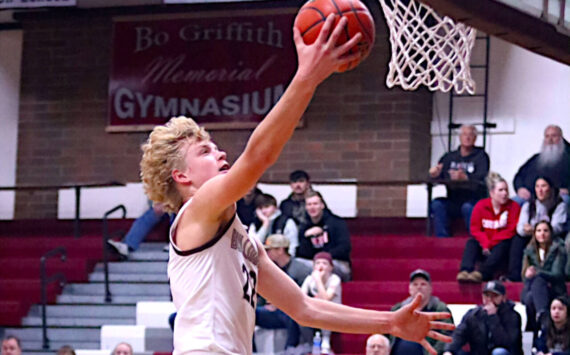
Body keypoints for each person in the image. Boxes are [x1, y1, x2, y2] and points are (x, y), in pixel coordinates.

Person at [141, 15, 453, 355]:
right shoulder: (196, 211)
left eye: (215, 146)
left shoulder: (240, 238)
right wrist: (308, 76)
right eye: (205, 151)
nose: (220, 153)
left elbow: (305, 308)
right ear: (182, 177)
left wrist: (388, 323)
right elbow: (257, 157)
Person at [457, 172, 521, 283]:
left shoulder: (514, 207)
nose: (505, 193)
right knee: (471, 242)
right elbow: (475, 229)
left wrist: (491, 242)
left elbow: (511, 230)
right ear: (492, 193)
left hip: (501, 246)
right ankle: (465, 271)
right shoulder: (481, 206)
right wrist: (485, 242)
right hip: (485, 245)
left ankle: (482, 273)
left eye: (506, 190)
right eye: (501, 190)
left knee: (504, 244)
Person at [429, 124, 490, 237]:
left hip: (473, 200)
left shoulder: (481, 156)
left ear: (475, 138)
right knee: (437, 204)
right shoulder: (449, 157)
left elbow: (482, 177)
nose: (467, 137)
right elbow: (438, 175)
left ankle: (475, 241)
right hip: (453, 200)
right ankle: (442, 240)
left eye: (470, 135)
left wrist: (465, 177)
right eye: (464, 134)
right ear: (460, 137)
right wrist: (434, 174)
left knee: (467, 207)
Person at [254, 234, 312, 351]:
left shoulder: (301, 270)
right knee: (250, 312)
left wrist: (280, 304)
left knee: (292, 315)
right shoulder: (270, 269)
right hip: (273, 311)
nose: (267, 253)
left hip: (292, 311)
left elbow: (304, 298)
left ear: (280, 250)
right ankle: (250, 349)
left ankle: (291, 349)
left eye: (270, 250)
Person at [509, 176, 568, 281]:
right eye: (537, 187)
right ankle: (514, 276)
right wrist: (531, 230)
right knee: (517, 239)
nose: (540, 190)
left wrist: (536, 230)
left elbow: (556, 227)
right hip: (531, 236)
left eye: (543, 186)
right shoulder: (528, 206)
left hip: (551, 237)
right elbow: (520, 229)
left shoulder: (560, 206)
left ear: (550, 189)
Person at [443, 280, 523, 355]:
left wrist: (493, 317)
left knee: (499, 352)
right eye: (487, 295)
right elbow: (459, 334)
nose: (490, 299)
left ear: (503, 297)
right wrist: (449, 350)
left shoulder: (512, 316)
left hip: (505, 353)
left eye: (494, 296)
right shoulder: (474, 315)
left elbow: (508, 343)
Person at [390, 269, 454, 355]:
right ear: (409, 288)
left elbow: (447, 334)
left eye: (423, 284)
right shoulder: (398, 309)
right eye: (415, 284)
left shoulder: (440, 309)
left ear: (430, 288)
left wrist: (433, 353)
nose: (419, 287)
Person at [521, 221, 568, 332]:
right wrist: (528, 275)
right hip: (533, 290)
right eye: (539, 231)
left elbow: (557, 274)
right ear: (534, 233)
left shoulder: (558, 249)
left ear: (551, 233)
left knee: (535, 287)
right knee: (530, 295)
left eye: (545, 231)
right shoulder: (529, 250)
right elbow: (524, 276)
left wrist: (537, 272)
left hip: (555, 290)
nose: (542, 234)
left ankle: (537, 326)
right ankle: (543, 320)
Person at [296, 190, 352, 281]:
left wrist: (322, 259)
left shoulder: (337, 223)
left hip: (337, 263)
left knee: (321, 267)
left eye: (315, 204)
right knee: (297, 264)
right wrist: (307, 237)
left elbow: (344, 248)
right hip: (312, 264)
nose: (312, 207)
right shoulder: (304, 226)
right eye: (309, 204)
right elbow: (302, 254)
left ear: (322, 205)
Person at [513, 125, 570, 206]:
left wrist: (568, 190)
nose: (550, 140)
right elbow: (519, 176)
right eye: (547, 136)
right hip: (532, 197)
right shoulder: (535, 159)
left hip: (558, 197)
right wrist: (520, 188)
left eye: (554, 136)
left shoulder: (568, 159)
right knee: (513, 203)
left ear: (561, 138)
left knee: (565, 201)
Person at [300, 252, 342, 354]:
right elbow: (300, 297)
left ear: (331, 267)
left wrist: (318, 280)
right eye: (318, 263)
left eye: (324, 263)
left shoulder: (335, 279)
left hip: (334, 311)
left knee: (325, 311)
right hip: (315, 309)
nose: (320, 266)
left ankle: (326, 339)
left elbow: (326, 300)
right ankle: (307, 343)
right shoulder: (309, 279)